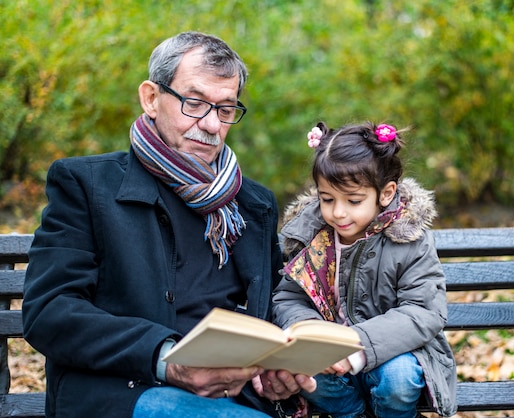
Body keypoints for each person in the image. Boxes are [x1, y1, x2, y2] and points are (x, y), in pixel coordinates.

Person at [22, 31, 315, 418]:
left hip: (237, 396)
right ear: (151, 98)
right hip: (123, 393)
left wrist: (278, 369)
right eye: (194, 103)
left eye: (226, 109)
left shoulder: (252, 203)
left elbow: (273, 308)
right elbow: (50, 311)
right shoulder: (87, 185)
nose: (211, 124)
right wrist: (167, 359)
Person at [273, 121, 458, 418]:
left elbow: (424, 311)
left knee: (399, 379)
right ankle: (353, 414)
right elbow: (288, 298)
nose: (338, 212)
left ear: (385, 194)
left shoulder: (408, 240)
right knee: (302, 374)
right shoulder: (311, 238)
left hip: (395, 355)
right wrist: (313, 334)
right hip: (330, 361)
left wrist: (355, 346)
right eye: (327, 199)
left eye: (354, 200)